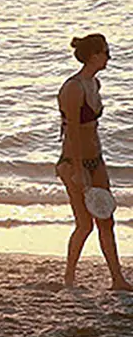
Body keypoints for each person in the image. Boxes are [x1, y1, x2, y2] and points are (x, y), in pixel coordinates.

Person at [56, 33, 132, 290]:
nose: (108, 56)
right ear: (93, 55)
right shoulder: (73, 88)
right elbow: (73, 133)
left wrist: (95, 164)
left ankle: (118, 279)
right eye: (105, 52)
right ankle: (68, 277)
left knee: (107, 219)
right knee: (85, 224)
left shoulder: (95, 84)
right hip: (72, 162)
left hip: (96, 161)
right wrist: (78, 171)